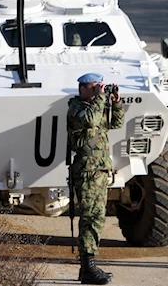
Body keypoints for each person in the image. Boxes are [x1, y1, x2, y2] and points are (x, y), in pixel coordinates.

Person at [67, 72, 124, 285]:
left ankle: (88, 267)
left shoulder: (97, 108)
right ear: (82, 89)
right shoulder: (76, 109)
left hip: (99, 172)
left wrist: (116, 103)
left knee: (98, 217)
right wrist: (101, 98)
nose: (97, 91)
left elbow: (116, 123)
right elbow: (90, 120)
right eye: (93, 88)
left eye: (98, 87)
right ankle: (87, 265)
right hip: (87, 172)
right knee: (90, 217)